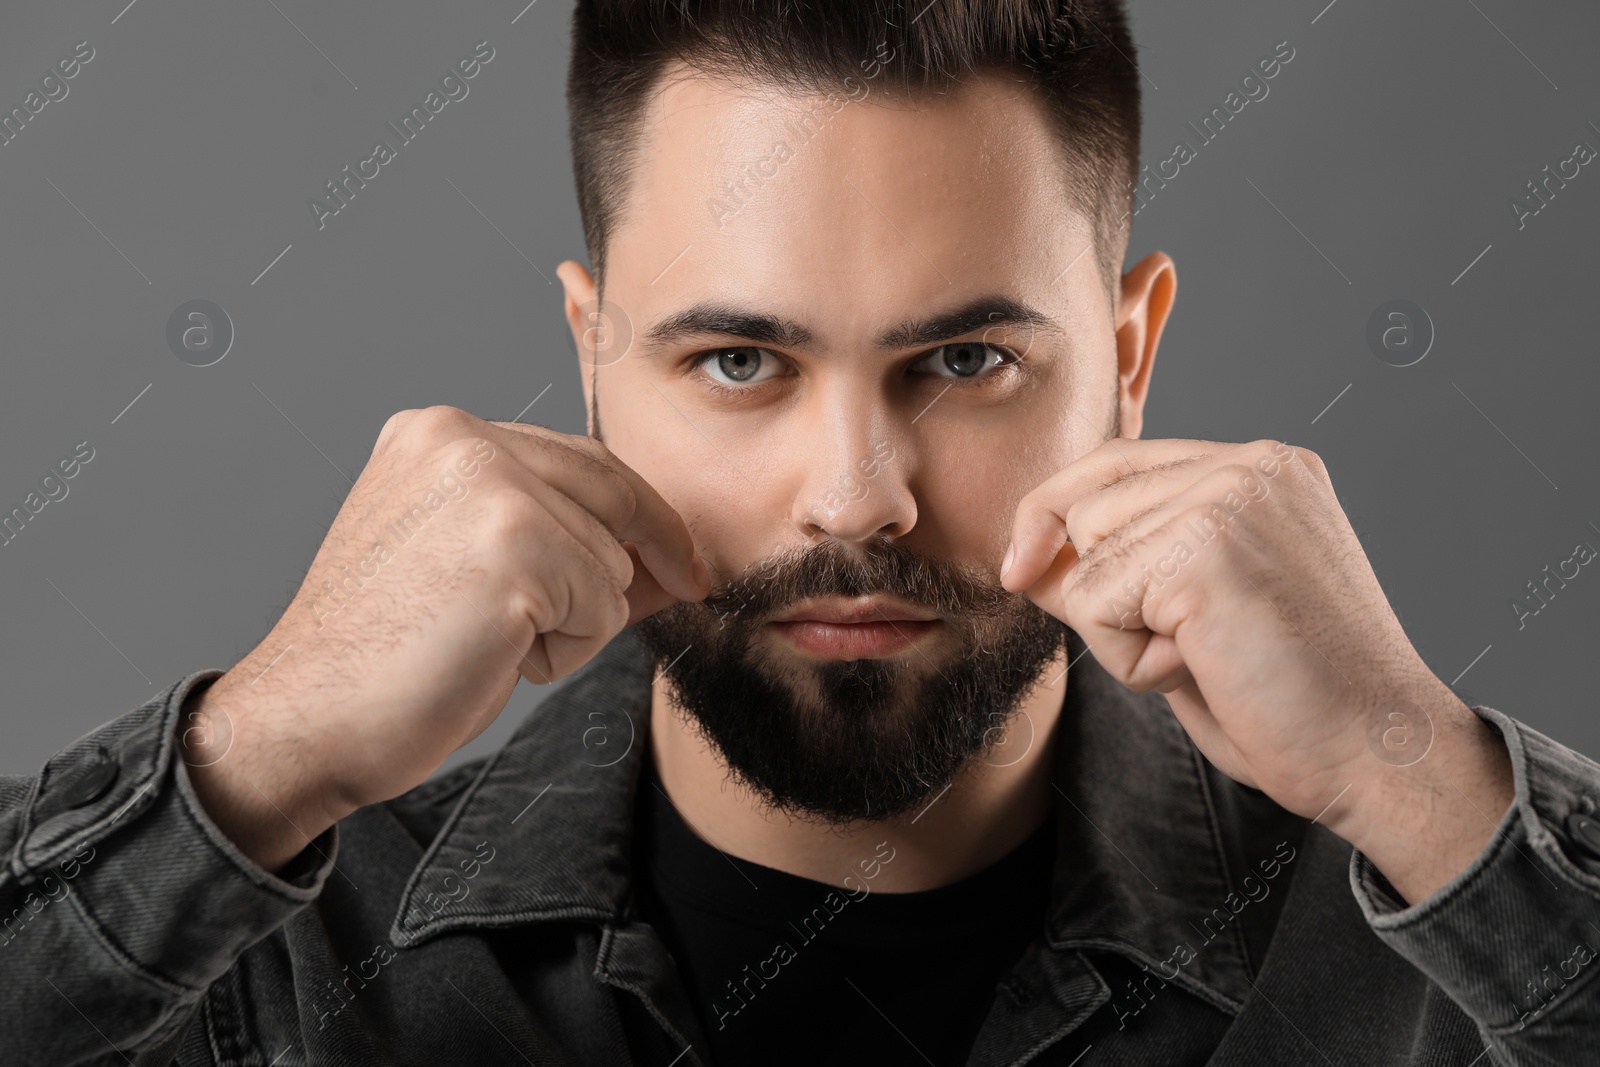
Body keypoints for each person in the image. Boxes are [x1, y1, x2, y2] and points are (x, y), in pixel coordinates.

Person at [4, 1, 1598, 1064]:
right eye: (740, 362)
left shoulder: (1427, 954)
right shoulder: (286, 972)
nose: (857, 497)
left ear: (1125, 360)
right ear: (593, 358)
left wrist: (1431, 785)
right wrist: (251, 757)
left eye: (967, 362)